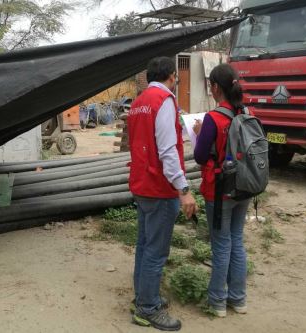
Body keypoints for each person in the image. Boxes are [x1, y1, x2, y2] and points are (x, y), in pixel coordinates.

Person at [127, 56, 197, 331]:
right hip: (159, 188)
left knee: (145, 246)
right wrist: (184, 189)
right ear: (171, 76)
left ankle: (143, 298)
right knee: (156, 251)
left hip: (141, 185)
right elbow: (168, 151)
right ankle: (147, 308)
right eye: (176, 78)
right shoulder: (164, 101)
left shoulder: (138, 103)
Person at [193, 63, 250, 318]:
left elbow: (199, 156)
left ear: (215, 87)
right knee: (236, 241)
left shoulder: (212, 118)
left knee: (221, 245)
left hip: (219, 191)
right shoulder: (247, 113)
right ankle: (238, 300)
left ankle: (217, 302)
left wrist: (197, 133)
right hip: (243, 188)